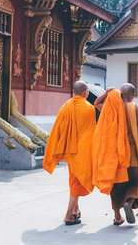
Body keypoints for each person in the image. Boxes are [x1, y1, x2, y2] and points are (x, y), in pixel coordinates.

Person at [94, 83, 138, 226]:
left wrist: (107, 93)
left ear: (121, 94)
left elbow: (96, 103)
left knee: (117, 185)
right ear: (132, 95)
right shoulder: (136, 107)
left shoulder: (111, 107)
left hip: (116, 154)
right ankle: (130, 201)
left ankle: (117, 216)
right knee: (136, 181)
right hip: (132, 155)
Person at [43, 81, 96, 225]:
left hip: (69, 151)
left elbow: (58, 129)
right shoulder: (89, 108)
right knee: (76, 183)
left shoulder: (65, 106)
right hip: (82, 151)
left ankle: (75, 211)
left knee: (75, 181)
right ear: (85, 92)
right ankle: (68, 215)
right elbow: (91, 133)